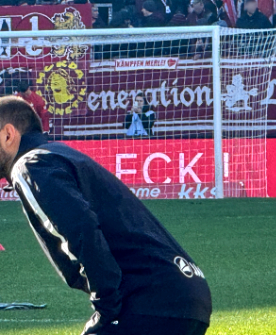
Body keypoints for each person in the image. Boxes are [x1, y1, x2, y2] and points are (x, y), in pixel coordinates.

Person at [0, 96, 211, 334]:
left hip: (149, 300)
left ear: (9, 135)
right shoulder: (57, 154)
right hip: (186, 295)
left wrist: (107, 309)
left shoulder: (31, 165)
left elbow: (81, 230)